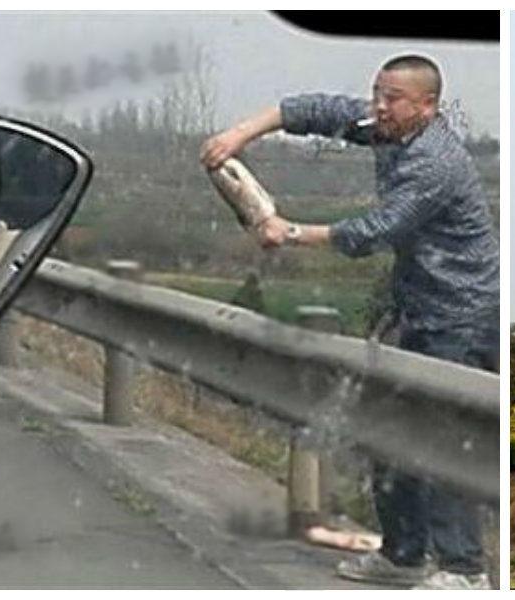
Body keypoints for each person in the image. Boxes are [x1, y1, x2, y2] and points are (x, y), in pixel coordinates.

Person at [201, 54, 498, 590]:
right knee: (388, 427)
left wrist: (288, 234)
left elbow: (376, 230)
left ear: (428, 107)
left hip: (462, 314)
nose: (380, 106)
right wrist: (238, 136)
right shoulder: (385, 127)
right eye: (377, 93)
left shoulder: (436, 162)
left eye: (394, 98)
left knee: (442, 438)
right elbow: (313, 110)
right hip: (414, 306)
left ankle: (464, 569)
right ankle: (403, 555)